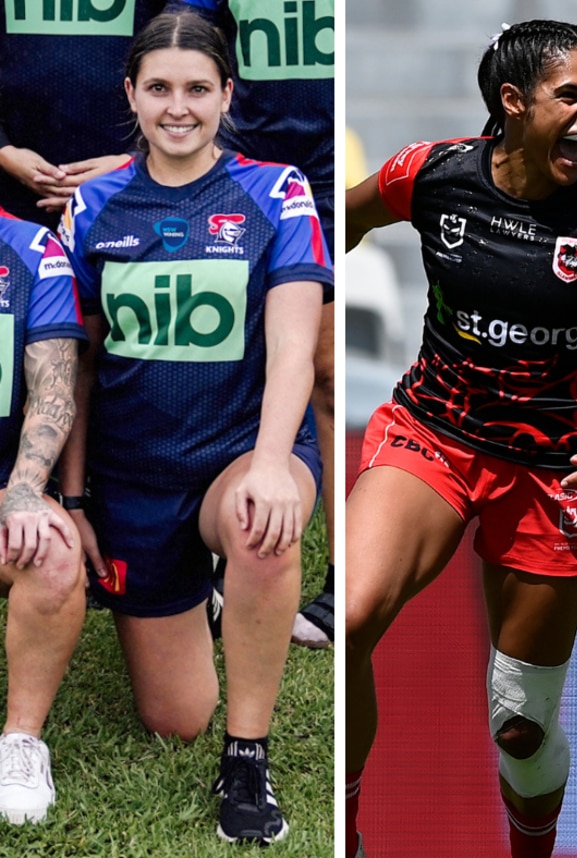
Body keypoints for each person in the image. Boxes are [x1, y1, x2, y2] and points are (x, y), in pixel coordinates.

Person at [345, 19, 577, 858]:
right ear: (512, 101)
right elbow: (332, 223)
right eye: (571, 94)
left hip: (553, 476)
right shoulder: (430, 176)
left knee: (520, 723)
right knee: (348, 616)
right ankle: (341, 834)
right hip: (434, 435)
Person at [56, 11, 332, 845]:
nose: (180, 107)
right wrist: (74, 498)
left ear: (226, 95)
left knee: (260, 524)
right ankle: (206, 602)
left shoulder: (275, 192)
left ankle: (247, 757)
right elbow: (77, 365)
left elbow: (292, 349)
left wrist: (272, 465)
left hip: (239, 452)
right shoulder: (92, 208)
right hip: (133, 474)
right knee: (175, 717)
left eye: (198, 89)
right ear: (131, 96)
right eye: (161, 89)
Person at [163, 0, 336, 649]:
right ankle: (203, 566)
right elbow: (189, 31)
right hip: (241, 171)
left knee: (324, 370)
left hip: (327, 175)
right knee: (221, 352)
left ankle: (338, 580)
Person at [0, 206, 87, 824]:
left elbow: (54, 384)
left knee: (52, 551)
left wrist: (26, 489)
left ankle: (21, 743)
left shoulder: (31, 250)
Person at [0, 1, 168, 229]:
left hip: (133, 193)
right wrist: (5, 153)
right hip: (13, 197)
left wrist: (134, 160)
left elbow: (186, 48)